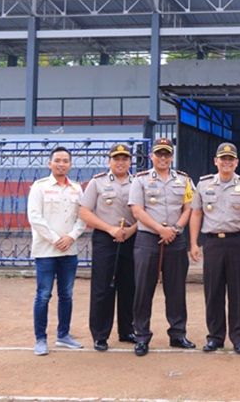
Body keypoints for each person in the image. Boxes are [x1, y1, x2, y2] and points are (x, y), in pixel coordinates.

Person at [189, 143, 240, 354]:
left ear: (236, 162)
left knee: (239, 293)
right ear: (216, 161)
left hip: (238, 243)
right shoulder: (204, 184)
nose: (227, 162)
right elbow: (196, 214)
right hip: (212, 243)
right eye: (223, 159)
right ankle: (215, 337)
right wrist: (194, 243)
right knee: (213, 292)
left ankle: (239, 337)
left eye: (231, 159)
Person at [127, 138, 195, 356]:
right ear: (152, 157)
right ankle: (142, 336)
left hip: (175, 239)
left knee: (176, 290)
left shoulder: (184, 180)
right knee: (143, 289)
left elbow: (189, 209)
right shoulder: (140, 180)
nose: (163, 158)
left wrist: (174, 229)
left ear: (171, 157)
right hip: (148, 239)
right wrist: (160, 229)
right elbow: (137, 211)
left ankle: (177, 334)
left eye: (167, 154)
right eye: (159, 154)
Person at [27, 146, 87, 356]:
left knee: (66, 295)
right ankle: (40, 339)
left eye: (65, 161)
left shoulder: (77, 188)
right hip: (45, 251)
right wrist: (55, 239)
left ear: (70, 164)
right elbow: (35, 217)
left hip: (69, 251)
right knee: (43, 295)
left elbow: (83, 217)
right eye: (58, 160)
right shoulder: (39, 186)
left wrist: (71, 236)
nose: (62, 164)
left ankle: (63, 335)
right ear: (49, 163)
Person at [79, 144, 138, 352]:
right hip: (106, 238)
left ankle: (127, 330)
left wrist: (131, 231)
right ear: (109, 161)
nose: (120, 162)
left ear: (130, 161)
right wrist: (110, 229)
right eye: (116, 159)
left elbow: (146, 211)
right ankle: (100, 334)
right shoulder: (98, 182)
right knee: (102, 287)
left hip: (131, 238)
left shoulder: (138, 182)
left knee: (129, 285)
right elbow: (84, 212)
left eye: (124, 159)